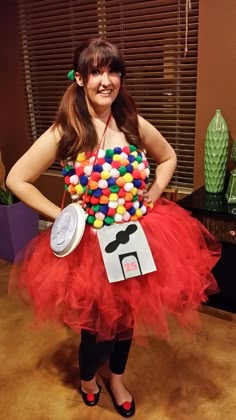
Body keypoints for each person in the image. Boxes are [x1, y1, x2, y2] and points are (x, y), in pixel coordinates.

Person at [6, 38, 221, 418]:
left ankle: (116, 377)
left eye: (113, 70)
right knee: (96, 328)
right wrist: (67, 219)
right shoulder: (65, 131)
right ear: (80, 79)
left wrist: (153, 194)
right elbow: (17, 179)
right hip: (91, 247)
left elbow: (168, 156)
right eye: (96, 72)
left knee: (127, 319)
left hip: (137, 238)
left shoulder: (130, 122)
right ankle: (89, 378)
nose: (106, 80)